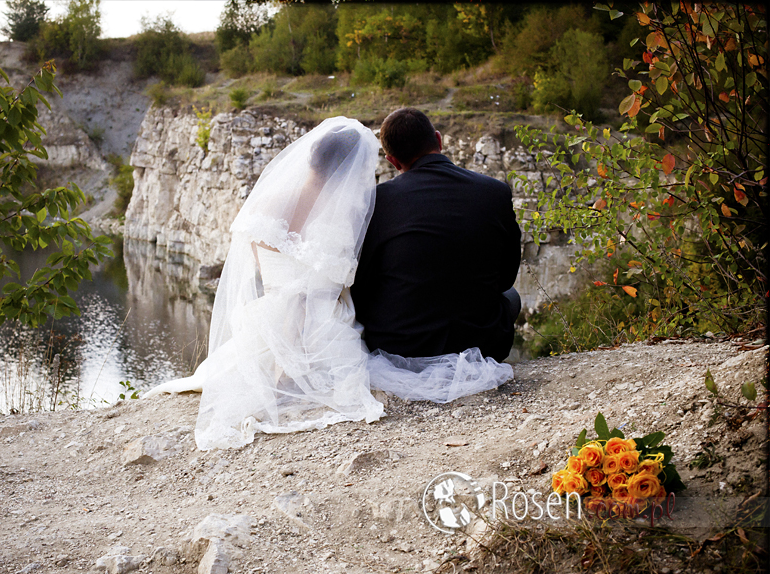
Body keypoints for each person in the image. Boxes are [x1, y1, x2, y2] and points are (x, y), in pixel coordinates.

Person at [145, 117, 385, 450]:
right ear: (346, 168)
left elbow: (255, 265)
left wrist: (285, 288)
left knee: (240, 367)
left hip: (269, 319)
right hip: (326, 328)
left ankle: (277, 370)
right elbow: (342, 279)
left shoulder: (269, 201)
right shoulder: (346, 214)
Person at [352, 108, 521, 397]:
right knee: (512, 297)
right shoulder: (495, 192)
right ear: (439, 141)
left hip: (399, 349)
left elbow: (361, 287)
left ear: (392, 161)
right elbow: (505, 279)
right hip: (481, 343)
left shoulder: (375, 203)